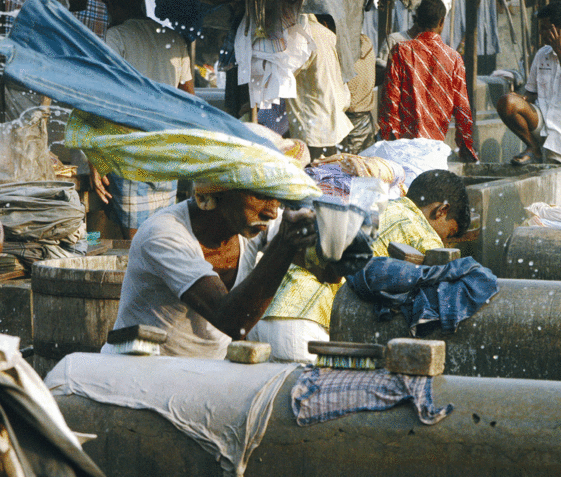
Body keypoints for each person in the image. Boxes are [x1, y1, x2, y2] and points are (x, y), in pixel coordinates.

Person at [251, 168, 470, 362]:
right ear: (441, 210)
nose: (443, 242)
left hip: (260, 312)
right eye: (448, 234)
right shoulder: (423, 234)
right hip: (306, 322)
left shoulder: (379, 208)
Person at [100, 183, 325, 359]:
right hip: (140, 371)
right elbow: (233, 322)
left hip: (205, 374)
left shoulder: (251, 225)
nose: (272, 212)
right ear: (218, 192)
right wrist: (285, 243)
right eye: (260, 196)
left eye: (277, 199)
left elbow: (327, 271)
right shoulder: (164, 233)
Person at [88, 0, 195, 240]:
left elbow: (103, 97)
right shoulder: (175, 38)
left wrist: (94, 156)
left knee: (135, 242)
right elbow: (189, 100)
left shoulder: (117, 35)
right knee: (163, 234)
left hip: (131, 153)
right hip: (166, 154)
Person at [378, 0, 478, 163]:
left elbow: (390, 101)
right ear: (441, 22)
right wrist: (466, 148)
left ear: (417, 19)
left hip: (403, 150)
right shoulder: (453, 59)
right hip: (434, 151)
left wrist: (389, 141)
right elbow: (462, 109)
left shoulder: (401, 51)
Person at [496, 2, 561, 166]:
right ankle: (533, 149)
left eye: (546, 28)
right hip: (542, 121)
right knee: (508, 102)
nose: (541, 33)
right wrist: (522, 98)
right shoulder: (542, 54)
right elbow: (532, 93)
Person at [286, 14, 353, 160]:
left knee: (314, 176)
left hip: (313, 128)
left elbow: (284, 74)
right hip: (333, 121)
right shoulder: (327, 33)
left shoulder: (299, 35)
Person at [339, 33, 377, 155]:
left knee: (351, 166)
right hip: (365, 121)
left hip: (350, 120)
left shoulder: (339, 46)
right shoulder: (366, 41)